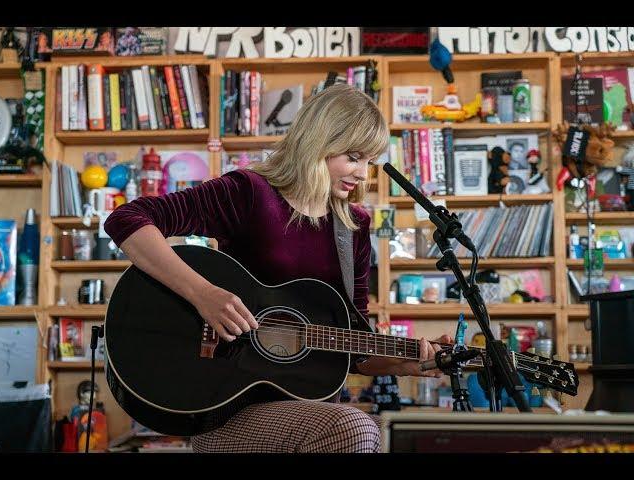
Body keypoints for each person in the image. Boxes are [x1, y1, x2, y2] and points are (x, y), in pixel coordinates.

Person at [104, 84, 452, 454]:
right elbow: (127, 218)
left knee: (377, 430)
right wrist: (202, 294)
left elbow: (354, 345)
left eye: (368, 161)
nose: (362, 174)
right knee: (356, 429)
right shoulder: (249, 193)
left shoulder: (354, 228)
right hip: (224, 407)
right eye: (353, 157)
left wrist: (406, 363)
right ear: (319, 141)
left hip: (310, 411)